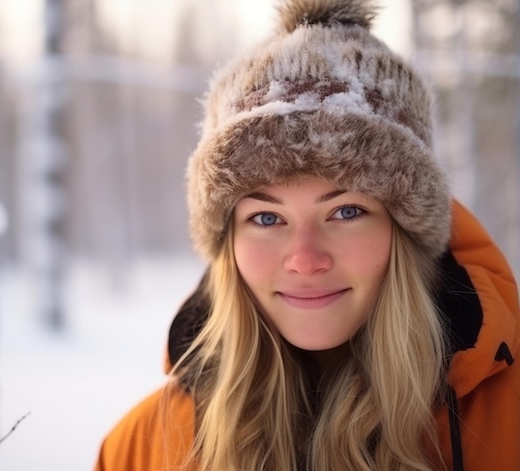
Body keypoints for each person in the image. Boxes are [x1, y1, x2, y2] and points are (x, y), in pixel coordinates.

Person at [93, 0, 520, 469]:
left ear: (405, 233)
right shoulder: (140, 450)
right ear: (227, 244)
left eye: (346, 211)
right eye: (267, 218)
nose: (304, 258)